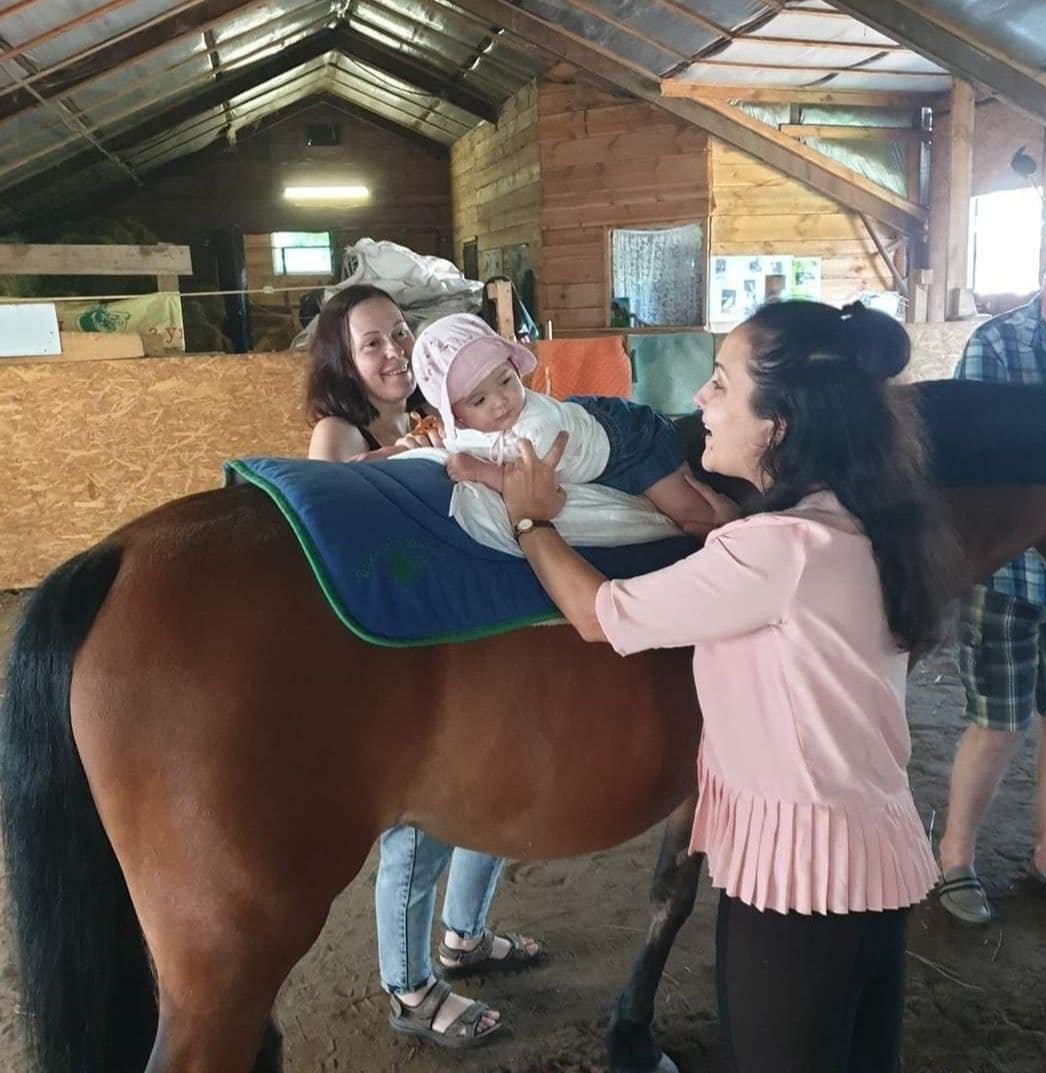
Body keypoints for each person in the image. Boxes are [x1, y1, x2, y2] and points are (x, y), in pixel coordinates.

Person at [496, 299, 953, 1073]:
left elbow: (601, 614)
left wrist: (532, 522)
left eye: (720, 384)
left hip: (799, 884)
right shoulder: (862, 521)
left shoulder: (778, 550)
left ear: (778, 424)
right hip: (872, 860)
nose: (700, 401)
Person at [305, 284, 542, 1047]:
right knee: (421, 817)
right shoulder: (337, 434)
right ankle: (409, 988)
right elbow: (335, 522)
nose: (393, 350)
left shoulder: (419, 418)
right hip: (386, 656)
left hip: (442, 636)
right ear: (344, 357)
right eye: (372, 341)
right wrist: (404, 454)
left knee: (490, 788)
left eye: (400, 333)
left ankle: (464, 936)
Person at [937, 226, 1046, 925]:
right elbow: (972, 477)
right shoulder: (995, 347)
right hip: (1010, 573)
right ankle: (955, 858)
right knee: (995, 723)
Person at [409, 313, 729, 537]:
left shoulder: (539, 428)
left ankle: (740, 525)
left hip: (628, 442)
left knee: (694, 520)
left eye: (506, 380)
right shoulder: (464, 428)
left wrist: (481, 472)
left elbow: (538, 488)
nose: (500, 401)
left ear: (514, 368)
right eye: (479, 400)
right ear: (458, 416)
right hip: (581, 422)